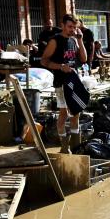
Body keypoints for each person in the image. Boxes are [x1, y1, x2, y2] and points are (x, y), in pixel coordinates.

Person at [41, 14, 88, 153]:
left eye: (74, 27)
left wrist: (80, 40)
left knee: (76, 112)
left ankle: (75, 145)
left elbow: (84, 59)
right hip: (61, 82)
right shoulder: (55, 41)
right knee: (63, 113)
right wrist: (61, 66)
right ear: (62, 25)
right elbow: (44, 61)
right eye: (69, 27)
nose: (72, 30)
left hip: (74, 81)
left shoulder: (74, 40)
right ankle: (64, 145)